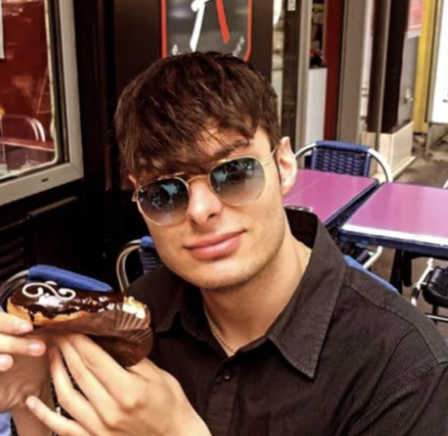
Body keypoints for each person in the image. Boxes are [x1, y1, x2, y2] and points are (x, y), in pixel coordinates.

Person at [1, 51, 448, 435]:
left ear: (284, 164)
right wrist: (30, 397)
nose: (200, 210)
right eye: (165, 192)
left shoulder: (404, 368)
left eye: (233, 173)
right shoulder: (142, 312)